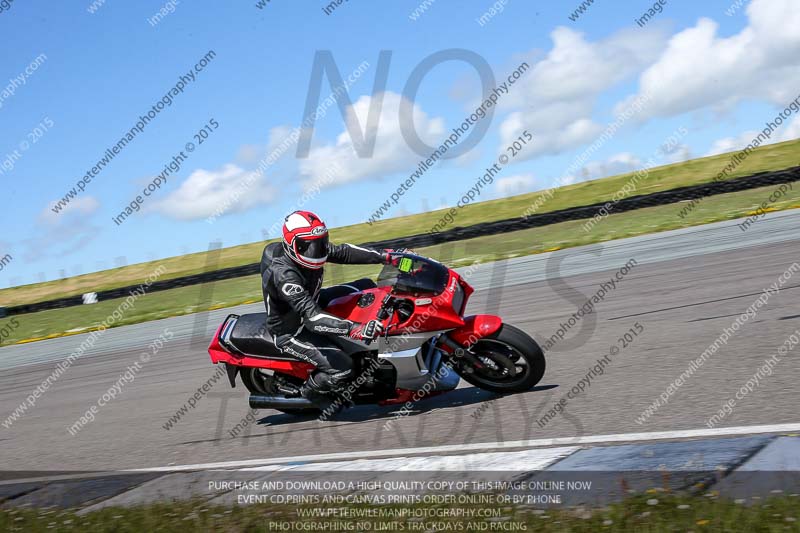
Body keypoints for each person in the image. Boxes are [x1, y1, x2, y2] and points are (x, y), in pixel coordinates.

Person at [260, 210, 404, 408]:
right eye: (310, 246)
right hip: (293, 330)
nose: (317, 251)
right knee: (342, 368)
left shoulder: (310, 251)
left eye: (320, 242)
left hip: (314, 301)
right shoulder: (285, 275)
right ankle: (312, 396)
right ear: (293, 245)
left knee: (367, 286)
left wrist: (385, 256)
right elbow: (312, 318)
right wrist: (356, 328)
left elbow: (344, 252)